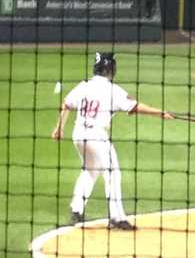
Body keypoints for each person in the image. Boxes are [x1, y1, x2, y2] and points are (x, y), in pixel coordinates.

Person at [51, 52, 173, 230]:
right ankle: (116, 217)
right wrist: (160, 113)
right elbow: (135, 106)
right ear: (110, 69)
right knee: (113, 172)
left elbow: (67, 104)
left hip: (78, 135)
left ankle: (76, 210)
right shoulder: (112, 89)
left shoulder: (84, 85)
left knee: (90, 170)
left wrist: (59, 128)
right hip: (96, 136)